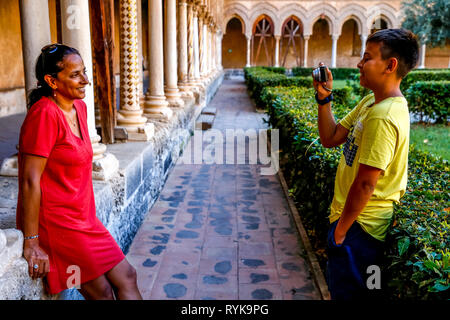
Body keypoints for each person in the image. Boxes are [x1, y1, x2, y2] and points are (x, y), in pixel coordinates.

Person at [17, 43, 142, 300]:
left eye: (84, 72)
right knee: (103, 294)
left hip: (84, 219)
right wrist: (31, 242)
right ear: (52, 81)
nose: (85, 80)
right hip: (58, 224)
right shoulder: (44, 115)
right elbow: (30, 181)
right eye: (75, 75)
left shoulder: (79, 108)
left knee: (128, 276)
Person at [312, 29, 419, 300]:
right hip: (351, 222)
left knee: (351, 294)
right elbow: (331, 137)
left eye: (367, 58)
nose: (360, 64)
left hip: (362, 228)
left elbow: (366, 183)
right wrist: (324, 98)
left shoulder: (384, 116)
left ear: (390, 65)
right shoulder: (372, 101)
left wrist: (340, 232)